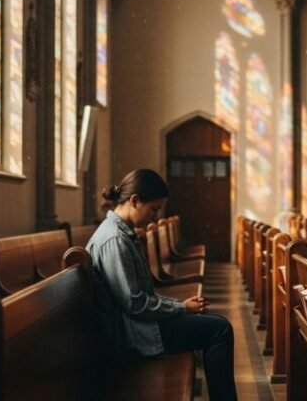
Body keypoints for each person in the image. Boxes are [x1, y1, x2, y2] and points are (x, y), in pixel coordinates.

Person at [86, 169, 238, 401]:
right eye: (154, 209)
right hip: (131, 334)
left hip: (137, 325)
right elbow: (135, 303)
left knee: (216, 326)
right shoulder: (114, 239)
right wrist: (181, 308)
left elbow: (138, 297)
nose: (155, 217)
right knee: (219, 329)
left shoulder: (122, 233)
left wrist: (179, 306)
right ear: (135, 200)